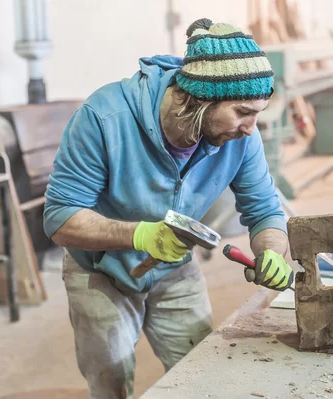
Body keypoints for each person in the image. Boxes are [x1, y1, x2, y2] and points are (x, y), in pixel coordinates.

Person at [43, 18, 294, 399]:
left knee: (203, 375)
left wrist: (273, 252)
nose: (250, 127)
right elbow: (60, 218)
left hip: (174, 266)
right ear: (199, 100)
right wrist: (140, 235)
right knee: (109, 380)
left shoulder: (242, 138)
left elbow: (263, 209)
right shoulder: (104, 118)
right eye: (243, 111)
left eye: (257, 112)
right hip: (99, 269)